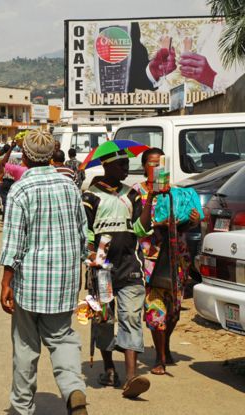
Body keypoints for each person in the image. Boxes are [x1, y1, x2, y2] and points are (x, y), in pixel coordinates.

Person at [0, 129, 88, 415]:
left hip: (30, 282)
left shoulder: (21, 189)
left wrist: (5, 283)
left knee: (26, 347)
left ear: (24, 156)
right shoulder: (69, 187)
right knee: (63, 338)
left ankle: (22, 408)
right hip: (64, 281)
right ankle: (74, 390)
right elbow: (81, 233)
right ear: (51, 156)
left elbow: (14, 240)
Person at [82, 149, 154, 399]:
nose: (126, 168)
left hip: (130, 267)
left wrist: (150, 198)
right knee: (103, 319)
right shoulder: (90, 196)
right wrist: (91, 255)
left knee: (131, 317)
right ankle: (110, 369)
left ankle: (132, 376)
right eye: (122, 164)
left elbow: (142, 229)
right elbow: (86, 233)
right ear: (107, 166)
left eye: (127, 164)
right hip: (102, 271)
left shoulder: (132, 194)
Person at [133, 148, 200, 375]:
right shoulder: (137, 192)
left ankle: (166, 344)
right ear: (144, 166)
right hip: (150, 258)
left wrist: (192, 221)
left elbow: (184, 224)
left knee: (174, 310)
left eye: (161, 163)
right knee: (155, 309)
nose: (157, 168)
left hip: (175, 257)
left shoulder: (177, 192)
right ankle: (160, 358)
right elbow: (138, 228)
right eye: (152, 164)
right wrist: (152, 199)